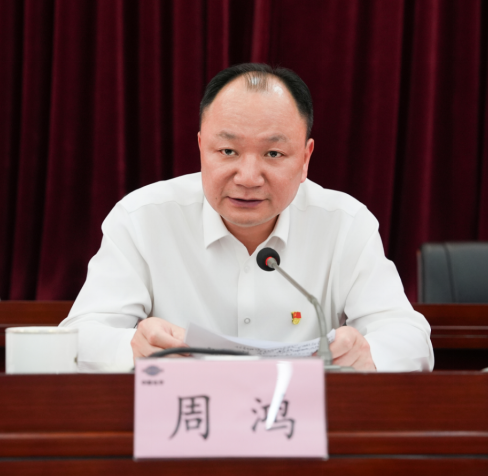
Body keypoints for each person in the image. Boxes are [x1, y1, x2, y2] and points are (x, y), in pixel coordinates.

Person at [60, 63, 434, 373]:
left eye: (273, 154)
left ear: (305, 159)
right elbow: (79, 337)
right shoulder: (141, 220)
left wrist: (368, 354)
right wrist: (132, 346)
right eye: (228, 151)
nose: (249, 177)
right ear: (201, 147)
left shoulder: (345, 224)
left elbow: (409, 337)